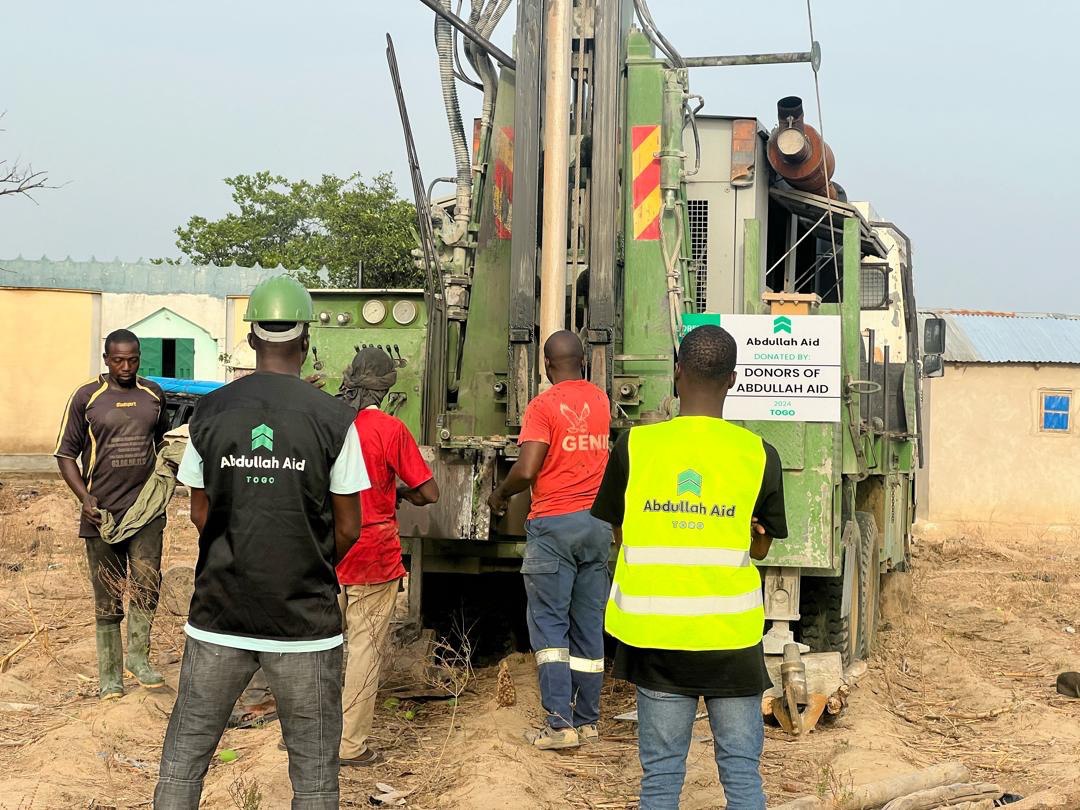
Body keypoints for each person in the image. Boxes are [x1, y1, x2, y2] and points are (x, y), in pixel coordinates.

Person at [154, 275, 368, 810]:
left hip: (219, 613)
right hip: (305, 625)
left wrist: (237, 549)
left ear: (251, 338)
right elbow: (348, 527)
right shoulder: (336, 420)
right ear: (306, 340)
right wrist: (305, 561)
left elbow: (200, 510)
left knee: (184, 762)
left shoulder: (210, 412)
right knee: (315, 778)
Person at [590, 324, 788, 810]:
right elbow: (760, 549)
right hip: (730, 640)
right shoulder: (759, 455)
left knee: (660, 779)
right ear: (734, 379)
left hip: (657, 639)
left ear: (677, 375)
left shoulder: (635, 447)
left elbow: (621, 533)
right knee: (742, 775)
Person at [487, 330, 612, 751]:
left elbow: (527, 468)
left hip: (555, 526)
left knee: (550, 629)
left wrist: (500, 495)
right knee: (587, 626)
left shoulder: (543, 406)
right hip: (596, 526)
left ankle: (559, 726)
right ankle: (588, 720)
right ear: (584, 361)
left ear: (544, 364)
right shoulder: (599, 400)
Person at [334, 346, 440, 766]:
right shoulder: (390, 430)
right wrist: (395, 490)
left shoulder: (328, 422)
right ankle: (349, 746)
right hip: (372, 552)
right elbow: (429, 492)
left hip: (324, 550)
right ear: (387, 386)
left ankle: (304, 738)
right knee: (363, 650)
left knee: (317, 648)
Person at [55, 329, 169, 699]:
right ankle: (110, 676)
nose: (125, 366)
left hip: (146, 510)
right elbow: (65, 454)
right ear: (105, 359)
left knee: (147, 582)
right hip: (101, 512)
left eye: (132, 360)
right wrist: (85, 497)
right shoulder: (87, 397)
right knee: (106, 593)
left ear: (139, 358)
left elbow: (164, 445)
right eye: (118, 360)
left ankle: (139, 658)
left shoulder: (153, 395)